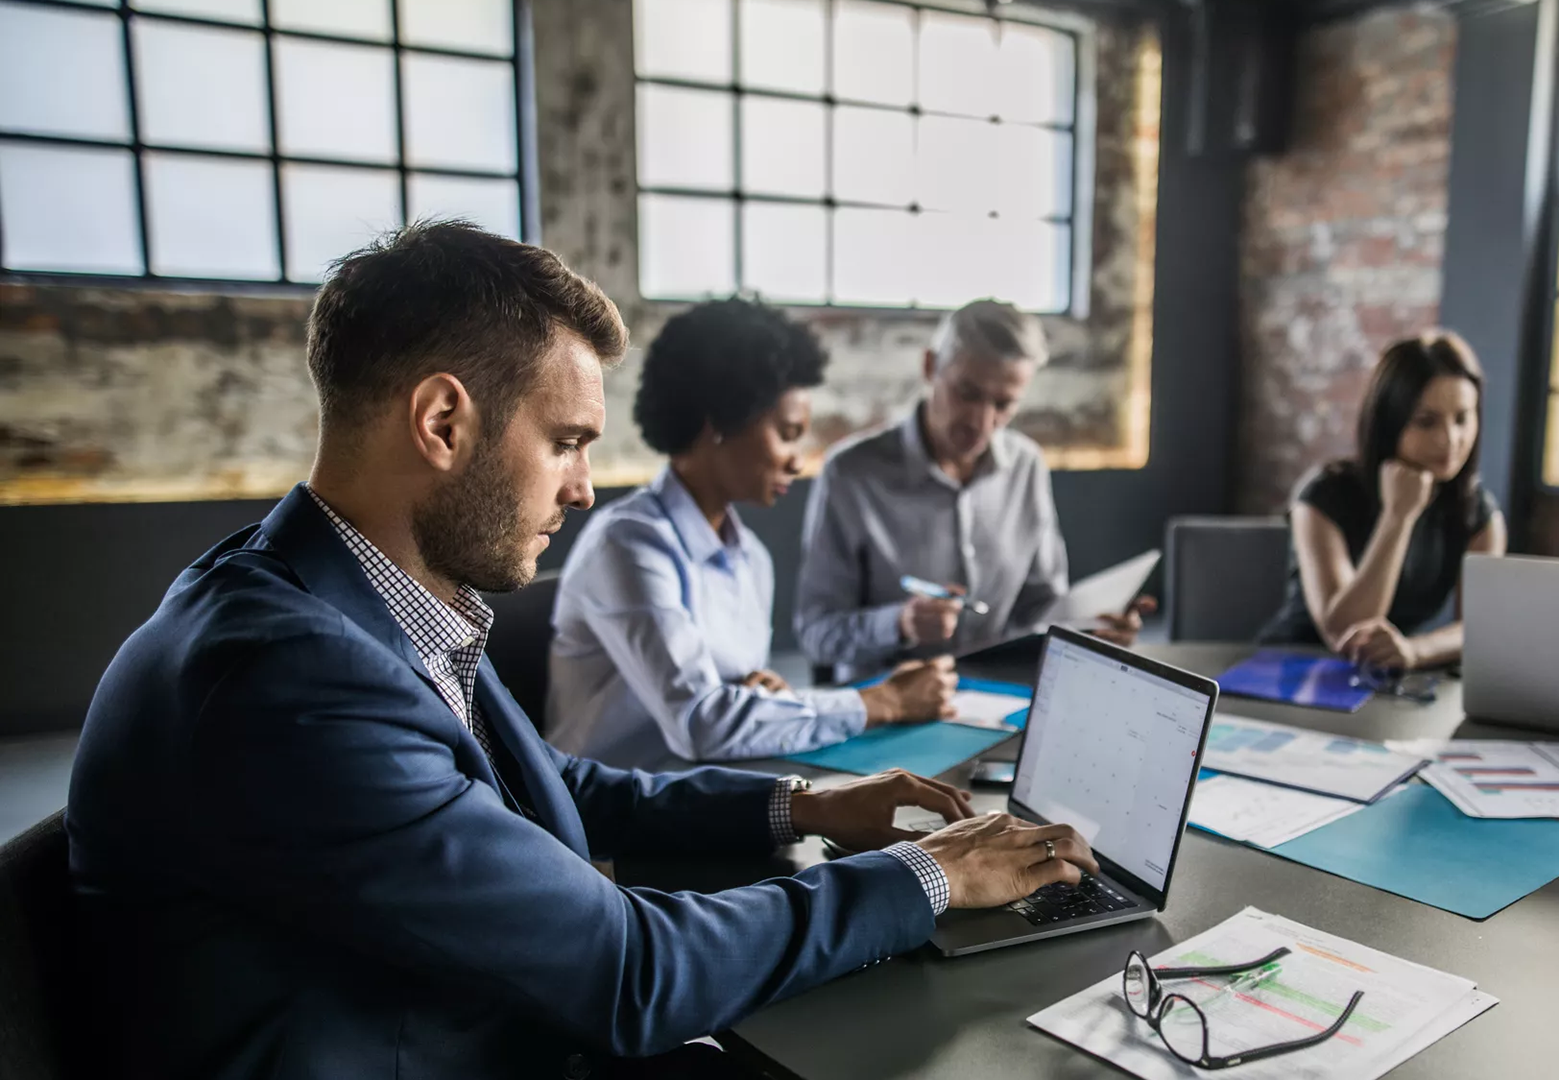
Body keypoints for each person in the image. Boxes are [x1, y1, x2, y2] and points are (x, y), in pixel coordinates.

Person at [64, 222, 1099, 1080]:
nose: (583, 487)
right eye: (565, 441)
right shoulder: (289, 679)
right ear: (442, 422)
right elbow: (629, 975)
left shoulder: (352, 592)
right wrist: (926, 874)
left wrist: (803, 804)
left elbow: (542, 782)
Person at [546, 298, 957, 768]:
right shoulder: (626, 545)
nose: (797, 461)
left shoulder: (751, 559)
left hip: (709, 787)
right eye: (787, 433)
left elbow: (730, 706)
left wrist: (769, 699)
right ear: (720, 423)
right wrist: (885, 701)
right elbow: (703, 722)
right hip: (607, 806)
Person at [795, 298, 1151, 682]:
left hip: (1000, 695)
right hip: (886, 702)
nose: (981, 422)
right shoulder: (850, 474)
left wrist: (1092, 629)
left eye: (1004, 404)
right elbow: (816, 633)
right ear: (930, 366)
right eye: (967, 393)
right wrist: (899, 624)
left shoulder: (1026, 466)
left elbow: (1041, 609)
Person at [1257, 331, 1507, 670]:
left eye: (1462, 418)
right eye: (1426, 422)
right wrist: (1398, 516)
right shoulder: (1323, 494)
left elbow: (1479, 627)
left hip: (1381, 675)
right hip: (1293, 666)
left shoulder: (1478, 513)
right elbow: (1346, 632)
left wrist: (1414, 651)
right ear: (1389, 423)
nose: (1450, 439)